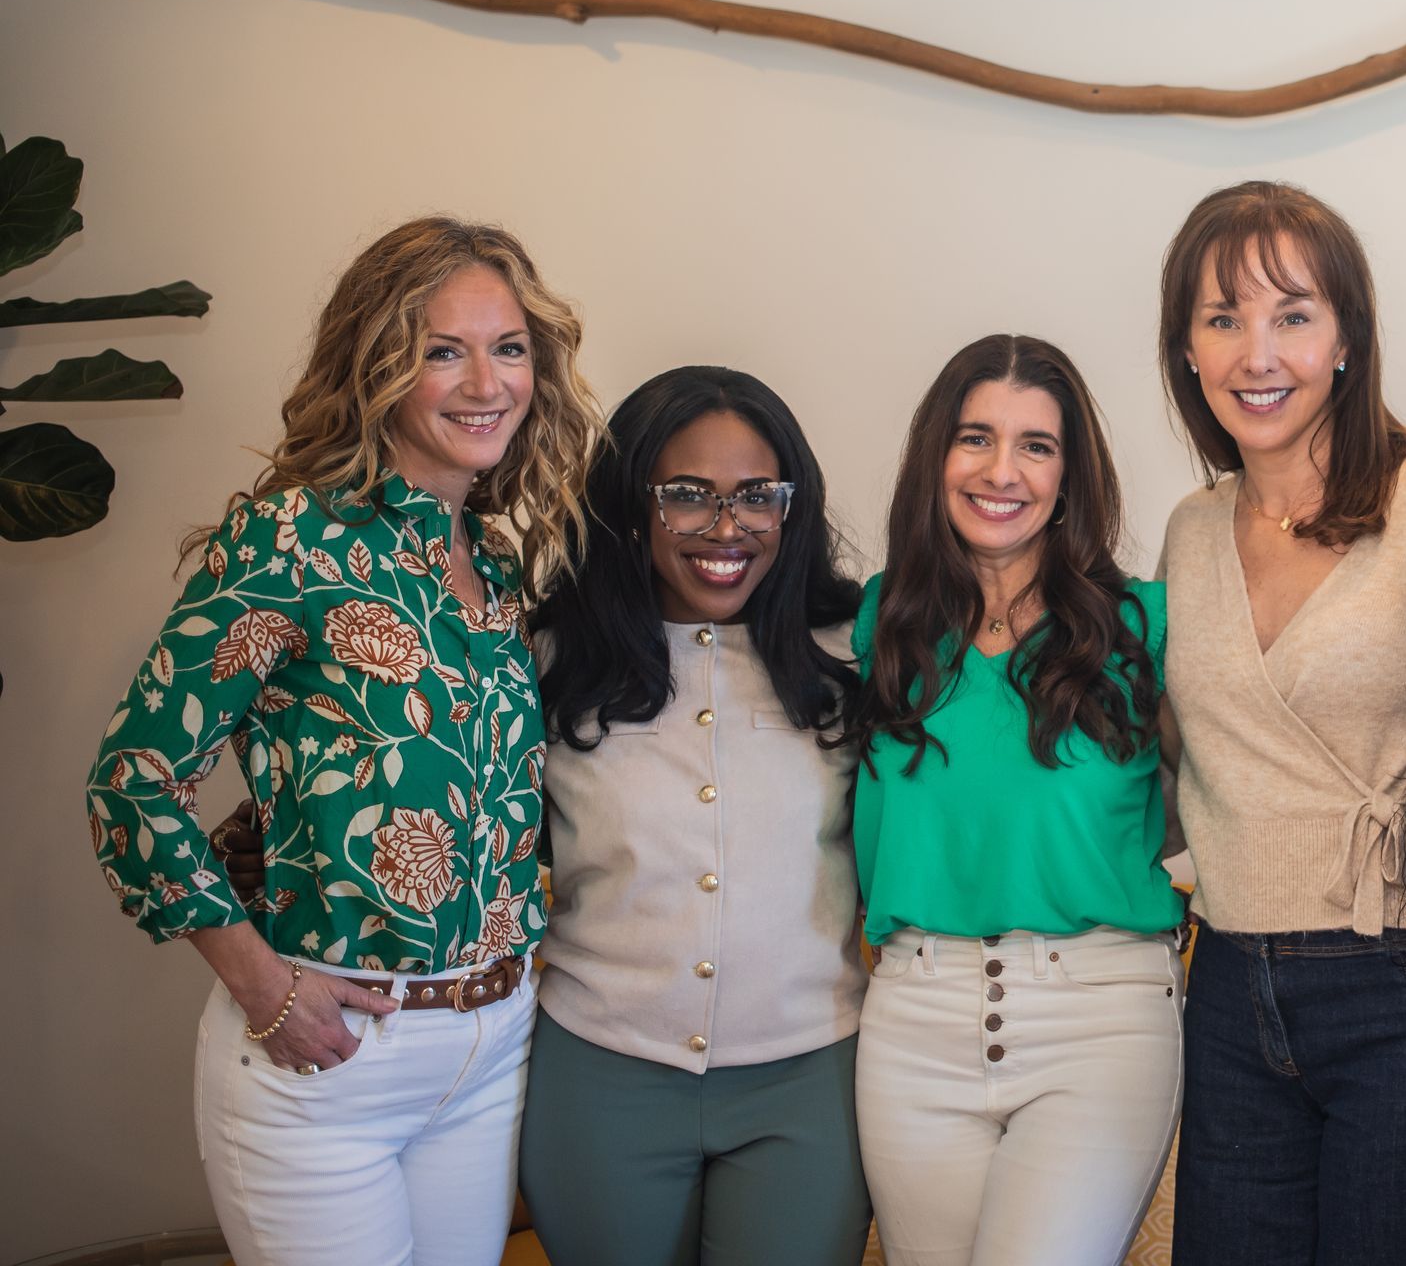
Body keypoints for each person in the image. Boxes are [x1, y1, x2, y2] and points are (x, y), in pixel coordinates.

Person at [84, 217, 601, 1266]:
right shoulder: (290, 538)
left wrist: (274, 820)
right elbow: (131, 781)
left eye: (507, 348)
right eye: (441, 351)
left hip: (491, 1046)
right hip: (330, 1061)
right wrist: (259, 981)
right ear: (378, 368)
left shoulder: (492, 564)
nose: (485, 381)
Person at [1155, 181, 1406, 1264]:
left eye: (1292, 314)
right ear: (1186, 347)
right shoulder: (1189, 531)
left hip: (1401, 974)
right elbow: (1164, 751)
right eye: (1221, 318)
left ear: (1347, 336)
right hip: (1230, 982)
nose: (1256, 352)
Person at [840, 334, 1186, 1266]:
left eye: (1037, 445)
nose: (1003, 471)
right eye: (975, 438)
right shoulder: (881, 622)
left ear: (1072, 475)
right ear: (934, 458)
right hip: (911, 1020)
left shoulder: (1147, 625)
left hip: (1100, 1018)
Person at [517, 367, 871, 1264]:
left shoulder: (855, 650)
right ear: (631, 506)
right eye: (687, 496)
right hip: (600, 1073)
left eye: (758, 497)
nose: (727, 529)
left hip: (810, 1082)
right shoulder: (546, 658)